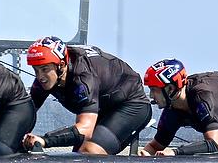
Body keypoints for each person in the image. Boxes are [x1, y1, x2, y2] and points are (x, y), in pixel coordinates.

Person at [21, 36, 151, 154]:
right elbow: (25, 114)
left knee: (89, 151)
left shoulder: (82, 78)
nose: (40, 77)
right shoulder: (47, 77)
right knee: (77, 156)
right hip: (102, 106)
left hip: (131, 105)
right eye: (35, 70)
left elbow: (85, 130)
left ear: (61, 65)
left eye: (44, 69)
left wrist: (45, 140)